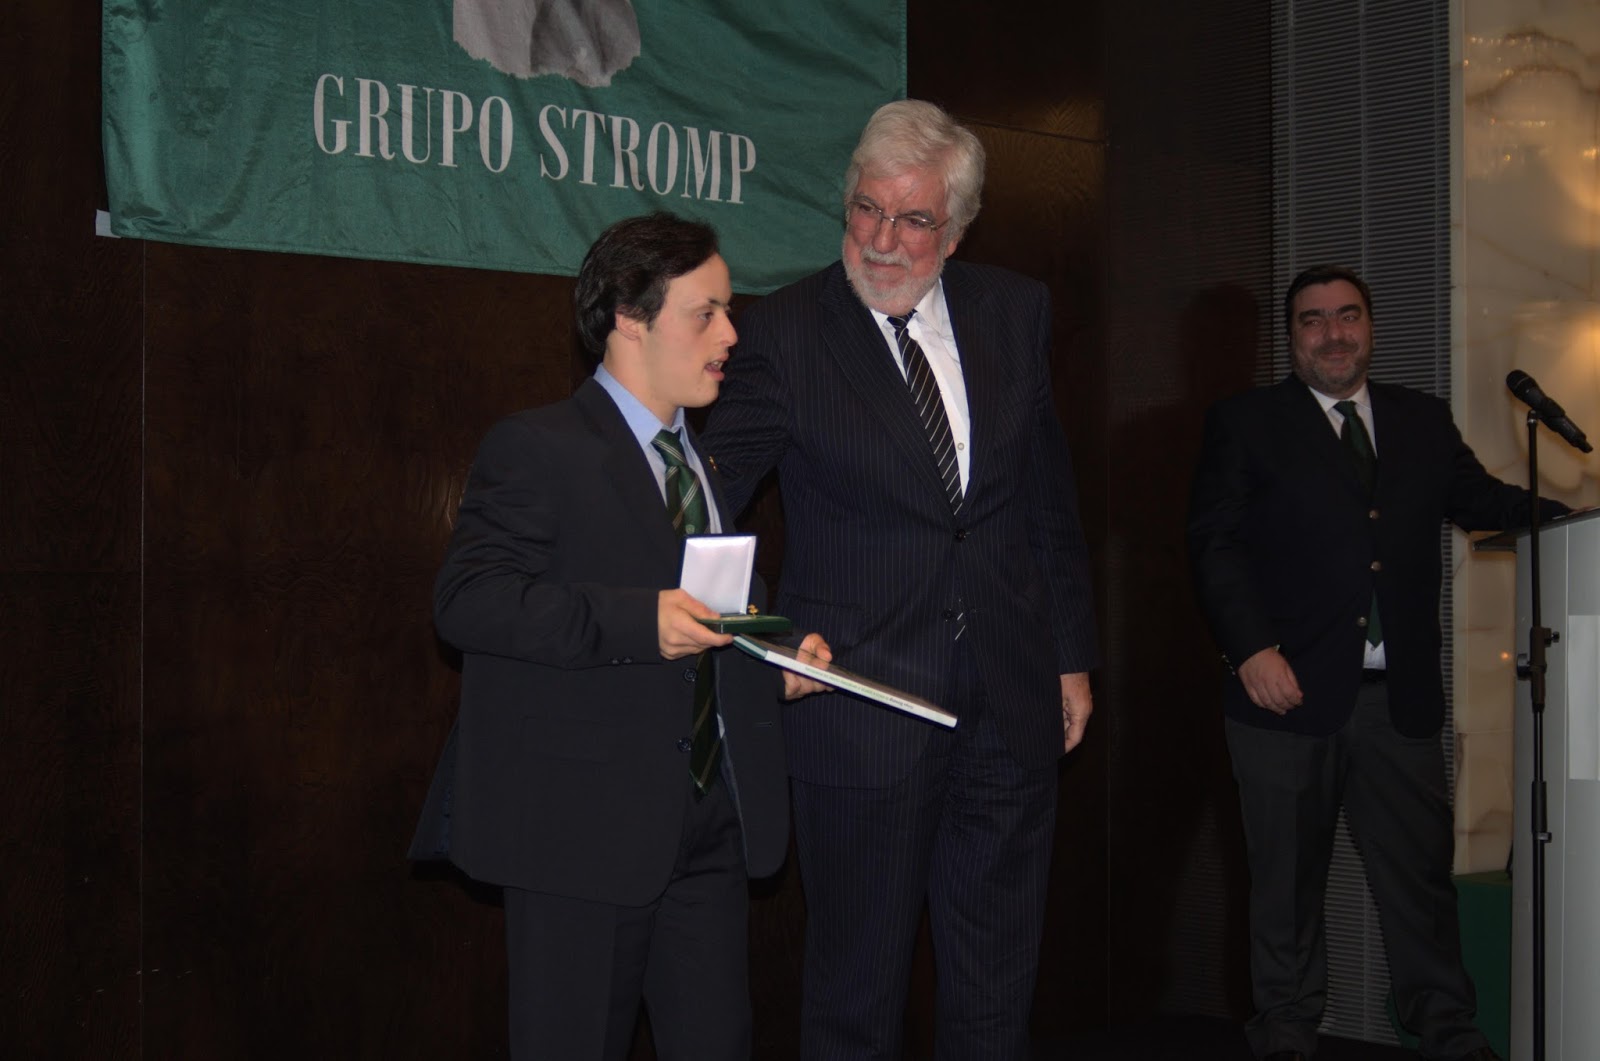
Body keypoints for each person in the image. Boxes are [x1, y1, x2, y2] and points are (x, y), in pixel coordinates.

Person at [700, 99, 1099, 1060]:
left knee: (997, 989)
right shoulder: (785, 332)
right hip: (860, 707)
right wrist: (759, 638)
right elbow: (707, 506)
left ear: (955, 232)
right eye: (867, 209)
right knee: (856, 994)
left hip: (1009, 700)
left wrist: (1071, 657)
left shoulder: (1014, 311)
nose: (881, 240)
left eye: (912, 219)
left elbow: (1045, 500)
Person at [409, 212, 830, 1061]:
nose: (731, 334)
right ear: (629, 317)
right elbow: (470, 602)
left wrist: (771, 657)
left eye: (729, 311)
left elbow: (709, 616)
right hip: (582, 834)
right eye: (705, 313)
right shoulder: (538, 447)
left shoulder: (702, 464)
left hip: (709, 824)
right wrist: (639, 619)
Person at [1186, 264, 1567, 1061]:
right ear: (1293, 337)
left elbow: (1484, 503)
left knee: (1420, 884)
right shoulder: (1247, 422)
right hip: (1283, 697)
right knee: (1286, 886)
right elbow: (1214, 544)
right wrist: (1251, 648)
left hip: (1400, 702)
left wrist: (1576, 518)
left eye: (1347, 316)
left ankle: (1448, 1031)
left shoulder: (1421, 419)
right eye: (1314, 319)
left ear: (1370, 327)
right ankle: (1287, 1034)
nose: (1333, 333)